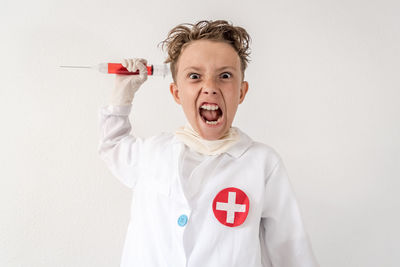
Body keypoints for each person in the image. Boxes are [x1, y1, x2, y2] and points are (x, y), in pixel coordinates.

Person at [98, 20, 319, 267]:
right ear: (177, 93)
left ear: (241, 92)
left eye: (225, 76)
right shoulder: (152, 153)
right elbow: (113, 146)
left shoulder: (262, 164)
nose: (210, 88)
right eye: (194, 76)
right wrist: (121, 96)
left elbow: (291, 251)